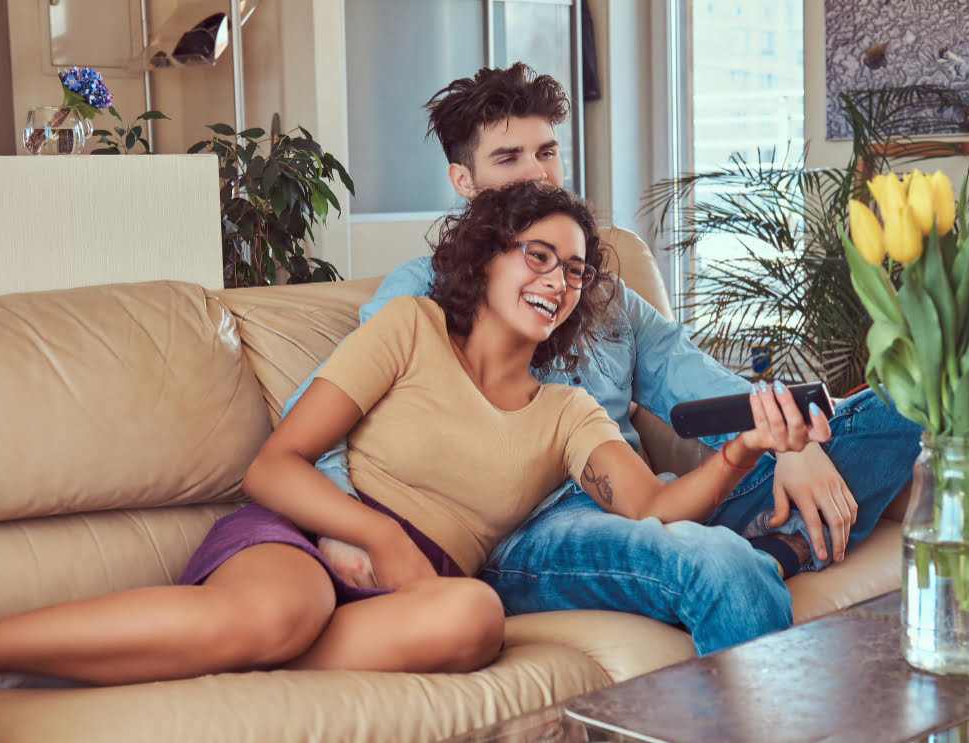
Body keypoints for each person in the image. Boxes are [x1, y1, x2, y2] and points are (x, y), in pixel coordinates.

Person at [0, 182, 829, 685]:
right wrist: (373, 533)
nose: (559, 281)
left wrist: (741, 448)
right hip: (314, 533)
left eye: (574, 271)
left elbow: (653, 505)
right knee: (289, 603)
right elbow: (274, 466)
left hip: (425, 591)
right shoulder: (411, 328)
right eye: (538, 255)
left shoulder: (567, 411)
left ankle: (258, 653)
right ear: (487, 256)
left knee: (474, 614)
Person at [288, 62, 924, 655]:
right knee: (714, 563)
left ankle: (774, 550)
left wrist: (791, 442)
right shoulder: (419, 291)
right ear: (464, 181)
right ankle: (752, 556)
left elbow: (701, 387)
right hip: (536, 528)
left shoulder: (602, 291)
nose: (536, 173)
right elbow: (318, 416)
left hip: (647, 496)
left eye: (547, 151)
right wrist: (349, 524)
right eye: (508, 157)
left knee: (912, 402)